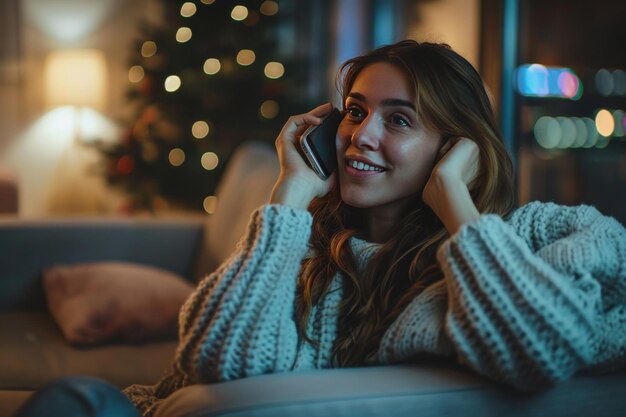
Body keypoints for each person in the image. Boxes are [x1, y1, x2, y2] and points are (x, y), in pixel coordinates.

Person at [15, 40, 626, 417]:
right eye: (355, 112)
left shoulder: (543, 236)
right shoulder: (313, 251)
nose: (361, 135)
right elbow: (214, 362)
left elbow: (543, 346)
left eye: (399, 120)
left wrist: (456, 208)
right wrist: (290, 195)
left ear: (456, 148)